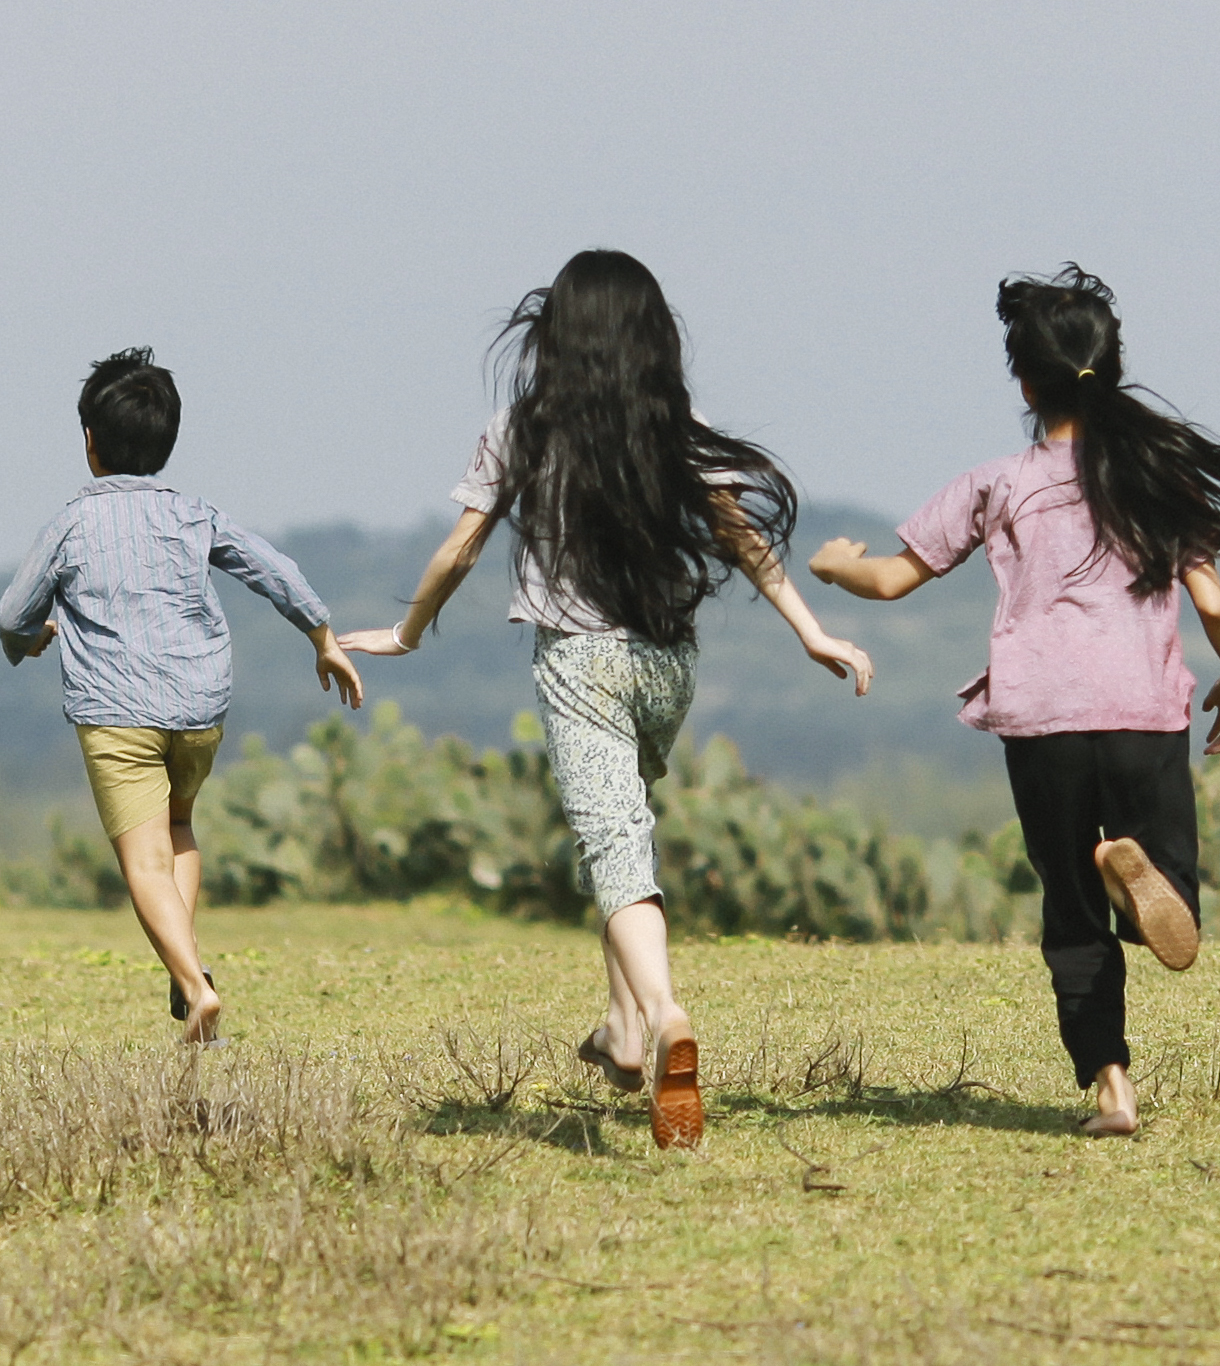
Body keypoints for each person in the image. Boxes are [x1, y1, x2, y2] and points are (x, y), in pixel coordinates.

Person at [341, 249, 873, 1149]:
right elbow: (740, 537)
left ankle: (663, 1014)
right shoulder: (676, 422)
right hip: (668, 663)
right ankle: (623, 1034)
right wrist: (809, 628)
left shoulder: (522, 426)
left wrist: (406, 631)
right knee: (623, 833)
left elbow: (459, 550)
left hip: (579, 663)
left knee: (614, 848)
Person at [810, 266, 1220, 1138]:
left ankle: (1111, 1088)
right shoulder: (1155, 476)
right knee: (1174, 902)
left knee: (1067, 909)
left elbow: (893, 577)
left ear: (1024, 381)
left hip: (1041, 720)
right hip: (1141, 712)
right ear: (1114, 367)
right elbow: (1211, 604)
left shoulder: (997, 483)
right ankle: (1138, 879)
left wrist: (831, 563)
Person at [0, 347, 365, 1045]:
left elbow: (12, 613)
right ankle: (185, 965)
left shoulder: (70, 523)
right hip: (198, 708)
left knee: (142, 858)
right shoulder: (195, 515)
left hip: (116, 713)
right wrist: (322, 634)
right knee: (179, 829)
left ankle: (196, 985)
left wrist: (30, 641)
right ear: (166, 442)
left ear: (89, 441)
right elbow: (271, 569)